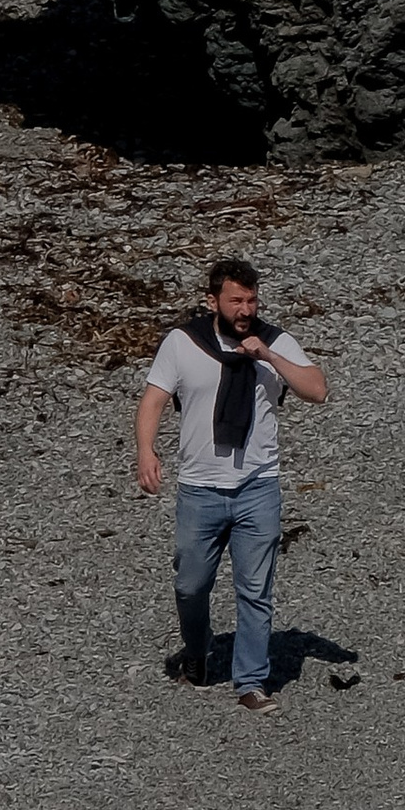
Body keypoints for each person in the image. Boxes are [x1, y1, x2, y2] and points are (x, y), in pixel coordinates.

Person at [134, 253, 328, 711]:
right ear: (213, 300)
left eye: (252, 301)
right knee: (190, 585)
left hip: (257, 487)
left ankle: (251, 682)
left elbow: (318, 390)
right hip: (200, 489)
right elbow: (153, 400)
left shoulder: (274, 343)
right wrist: (146, 450)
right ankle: (198, 653)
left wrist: (268, 356)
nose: (245, 310)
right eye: (236, 300)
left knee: (255, 589)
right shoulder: (183, 343)